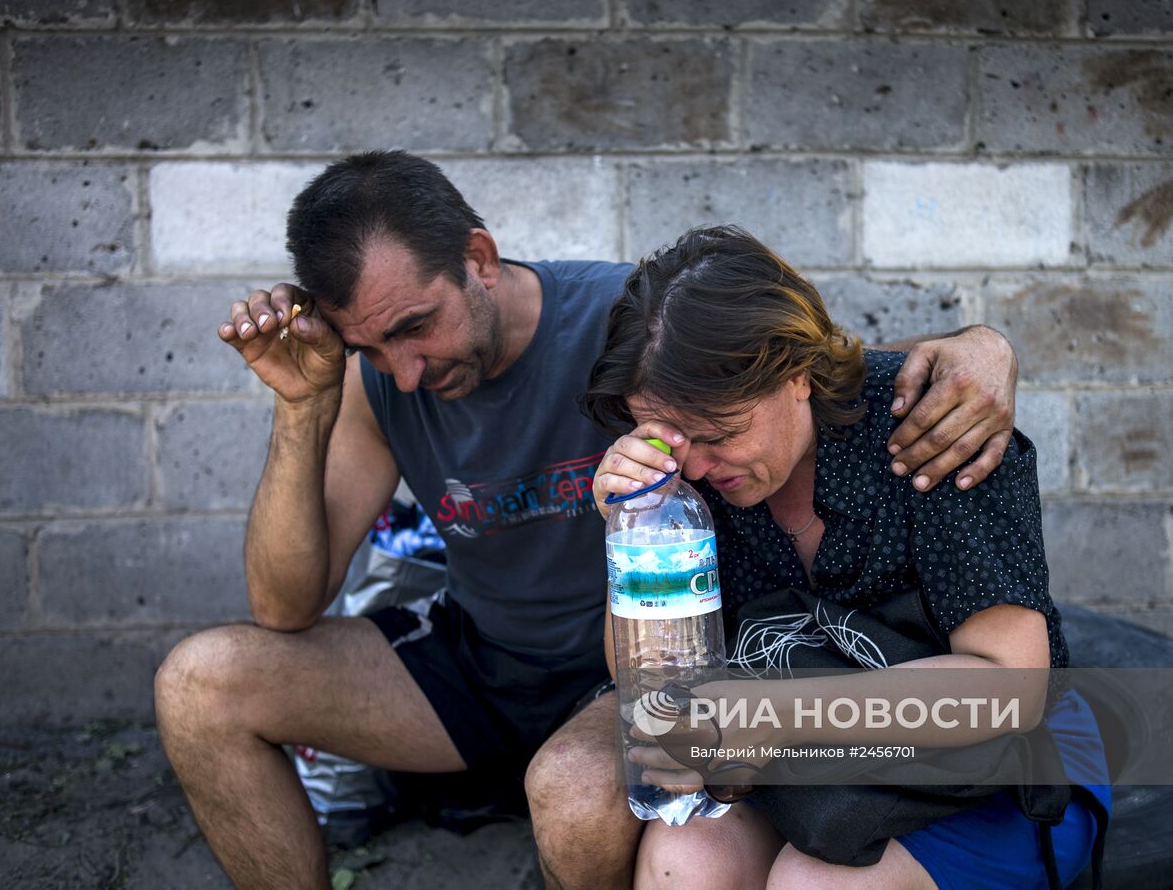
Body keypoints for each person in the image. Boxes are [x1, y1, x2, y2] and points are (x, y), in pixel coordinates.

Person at [152, 151, 1026, 890]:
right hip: (497, 657)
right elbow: (283, 604)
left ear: (479, 259)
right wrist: (306, 404)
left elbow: (786, 368)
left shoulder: (624, 325)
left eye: (416, 326)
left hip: (632, 674)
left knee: (595, 792)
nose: (404, 371)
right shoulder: (379, 381)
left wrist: (981, 347)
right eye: (369, 348)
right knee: (200, 682)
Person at [549, 225, 1111, 889]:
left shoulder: (931, 427)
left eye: (719, 435)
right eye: (671, 442)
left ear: (796, 375)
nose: (695, 466)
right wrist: (634, 534)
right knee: (688, 858)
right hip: (816, 768)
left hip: (995, 773)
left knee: (812, 884)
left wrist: (776, 715)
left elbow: (1010, 686)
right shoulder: (687, 484)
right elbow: (642, 679)